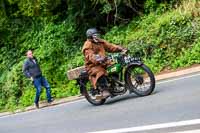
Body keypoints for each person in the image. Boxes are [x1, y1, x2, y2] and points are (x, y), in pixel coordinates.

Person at [82, 28, 126, 98]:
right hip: (92, 66)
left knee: (115, 66)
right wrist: (98, 58)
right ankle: (104, 89)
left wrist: (121, 48)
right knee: (100, 71)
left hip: (104, 62)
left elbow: (110, 47)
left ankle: (115, 84)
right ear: (90, 36)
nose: (97, 36)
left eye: (97, 35)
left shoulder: (100, 42)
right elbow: (91, 56)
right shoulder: (87, 45)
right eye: (95, 35)